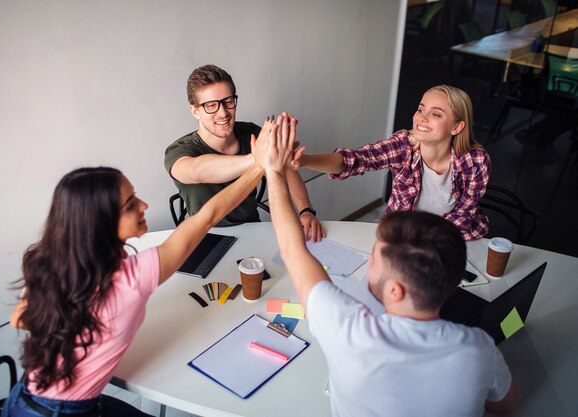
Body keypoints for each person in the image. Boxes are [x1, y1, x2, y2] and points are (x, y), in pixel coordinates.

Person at [2, 118, 280, 417]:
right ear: (100, 223)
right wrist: (260, 166)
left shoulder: (49, 262)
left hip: (25, 398)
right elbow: (207, 216)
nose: (144, 205)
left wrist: (79, 335)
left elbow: (18, 319)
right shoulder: (130, 279)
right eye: (130, 204)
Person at [262, 113, 516, 417]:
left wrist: (273, 171)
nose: (369, 258)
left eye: (374, 257)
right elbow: (507, 405)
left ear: (394, 290)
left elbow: (292, 249)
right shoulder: (479, 349)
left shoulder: (348, 329)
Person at [291, 84, 490, 240]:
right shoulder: (403, 146)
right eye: (421, 110)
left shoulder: (476, 161)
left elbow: (463, 214)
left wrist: (426, 244)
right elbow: (355, 160)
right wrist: (304, 160)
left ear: (456, 127)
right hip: (402, 234)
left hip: (455, 238)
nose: (422, 118)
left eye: (436, 114)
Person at [164, 64, 325, 242]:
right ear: (195, 111)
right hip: (206, 238)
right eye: (211, 106)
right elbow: (198, 170)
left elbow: (288, 168)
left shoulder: (252, 134)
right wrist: (258, 159)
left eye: (228, 102)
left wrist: (306, 211)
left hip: (252, 229)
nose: (223, 113)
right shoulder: (179, 150)